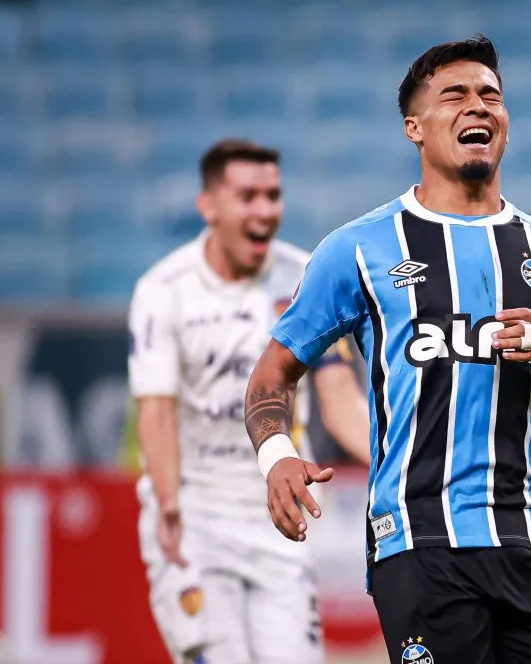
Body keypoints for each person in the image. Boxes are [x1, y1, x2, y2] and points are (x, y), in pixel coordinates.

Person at [243, 35, 531, 664]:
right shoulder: (357, 249)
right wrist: (276, 456)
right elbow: (272, 373)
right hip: (419, 542)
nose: (478, 107)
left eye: (491, 96)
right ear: (415, 129)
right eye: (454, 95)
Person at [128, 139, 371, 664]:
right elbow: (156, 410)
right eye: (248, 196)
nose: (264, 211)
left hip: (279, 511)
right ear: (209, 206)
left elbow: (338, 395)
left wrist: (399, 456)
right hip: (196, 509)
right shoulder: (164, 290)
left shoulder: (304, 276)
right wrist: (169, 503)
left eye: (273, 195)